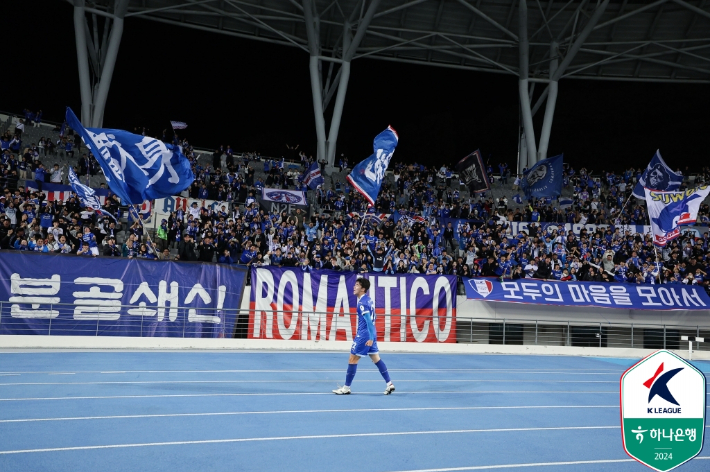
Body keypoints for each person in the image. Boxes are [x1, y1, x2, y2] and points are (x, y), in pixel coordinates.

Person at [332, 278, 395, 395]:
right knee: (376, 359)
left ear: (363, 289)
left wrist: (370, 338)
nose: (354, 287)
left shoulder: (362, 303)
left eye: (357, 285)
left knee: (352, 359)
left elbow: (369, 322)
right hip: (371, 333)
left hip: (365, 334)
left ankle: (346, 388)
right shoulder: (368, 300)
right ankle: (389, 384)